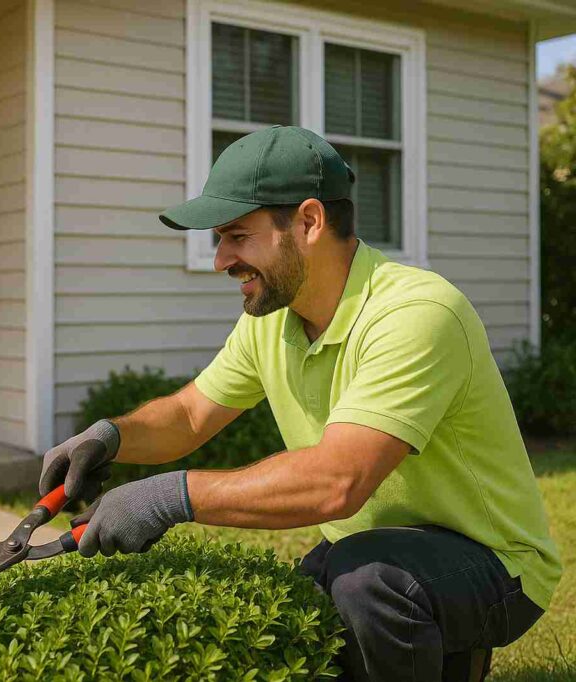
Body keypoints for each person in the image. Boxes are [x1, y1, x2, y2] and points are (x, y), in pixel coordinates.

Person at [39, 126, 562, 681]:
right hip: (373, 549)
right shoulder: (273, 319)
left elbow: (337, 481)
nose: (220, 260)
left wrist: (169, 496)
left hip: (495, 565)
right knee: (295, 603)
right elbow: (191, 414)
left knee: (367, 584)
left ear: (309, 222)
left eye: (237, 236)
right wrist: (109, 437)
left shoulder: (418, 313)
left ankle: (453, 644)